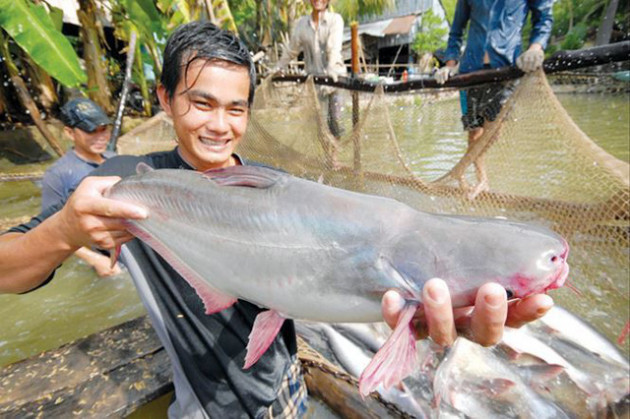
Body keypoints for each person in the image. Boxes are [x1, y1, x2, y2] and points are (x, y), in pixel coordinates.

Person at [0, 21, 554, 418]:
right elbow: (7, 271)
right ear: (165, 100)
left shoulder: (272, 185)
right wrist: (66, 231)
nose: (220, 126)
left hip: (284, 389)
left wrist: (421, 319)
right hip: (203, 407)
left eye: (236, 108)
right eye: (201, 103)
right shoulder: (127, 186)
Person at [434, 0, 553, 199]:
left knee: (494, 131)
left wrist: (536, 47)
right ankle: (482, 180)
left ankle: (459, 170)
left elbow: (544, 19)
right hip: (470, 70)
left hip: (506, 68)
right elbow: (456, 30)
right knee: (474, 131)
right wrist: (450, 64)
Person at [41, 98, 121, 277]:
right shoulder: (58, 174)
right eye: (91, 131)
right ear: (70, 133)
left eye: (104, 129)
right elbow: (49, 228)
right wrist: (95, 260)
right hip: (102, 258)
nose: (101, 137)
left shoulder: (114, 158)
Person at [274, 0, 346, 139]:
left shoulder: (335, 20)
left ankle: (334, 158)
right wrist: (278, 67)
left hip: (335, 80)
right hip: (314, 82)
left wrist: (331, 69)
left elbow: (334, 48)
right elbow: (291, 50)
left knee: (337, 123)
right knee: (320, 123)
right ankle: (327, 157)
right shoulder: (302, 24)